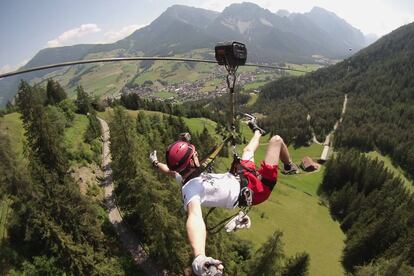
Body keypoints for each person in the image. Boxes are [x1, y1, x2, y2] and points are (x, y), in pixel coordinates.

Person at [149, 116, 298, 275]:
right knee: (276, 140)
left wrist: (155, 163)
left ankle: (257, 131)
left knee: (248, 151)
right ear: (191, 162)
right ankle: (288, 166)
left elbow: (170, 171)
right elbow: (194, 218)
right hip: (257, 189)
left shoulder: (185, 175)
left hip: (241, 175)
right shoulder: (190, 190)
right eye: (195, 155)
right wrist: (199, 256)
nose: (198, 155)